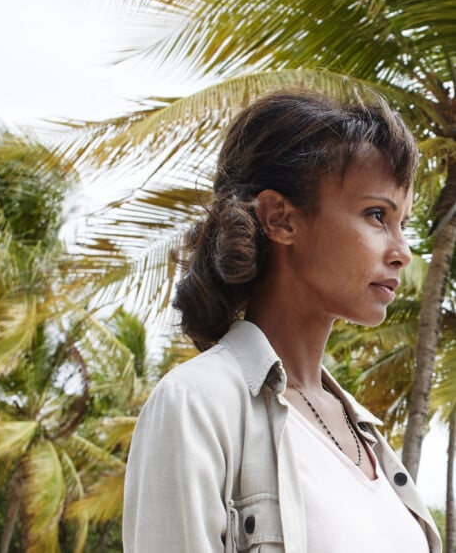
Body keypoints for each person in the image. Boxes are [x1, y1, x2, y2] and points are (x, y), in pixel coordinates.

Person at [122, 88, 442, 553]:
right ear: (280, 219)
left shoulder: (366, 434)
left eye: (403, 223)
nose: (402, 252)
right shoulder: (197, 405)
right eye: (377, 215)